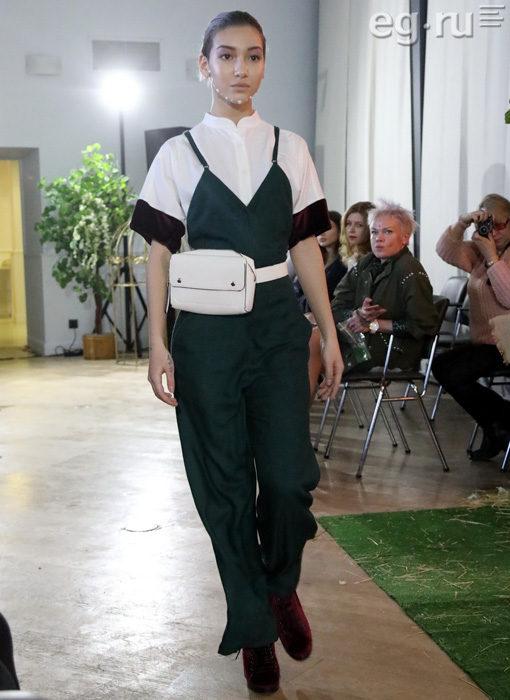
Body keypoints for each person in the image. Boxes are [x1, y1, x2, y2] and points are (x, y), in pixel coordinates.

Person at [130, 11, 343, 695]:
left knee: (287, 479)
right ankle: (254, 628)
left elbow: (305, 247)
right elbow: (158, 254)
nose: (240, 69)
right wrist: (157, 340)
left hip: (278, 326)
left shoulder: (291, 148)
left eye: (253, 56)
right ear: (204, 65)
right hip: (206, 334)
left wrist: (327, 330)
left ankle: (279, 585)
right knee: (222, 485)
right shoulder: (177, 154)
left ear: (264, 64)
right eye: (226, 56)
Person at [432, 194, 510, 461]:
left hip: (506, 344)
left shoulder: (493, 253)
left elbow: (508, 298)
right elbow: (445, 250)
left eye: (499, 224)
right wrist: (462, 222)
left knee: (454, 372)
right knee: (441, 365)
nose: (493, 231)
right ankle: (498, 422)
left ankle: (498, 423)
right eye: (487, 224)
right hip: (486, 342)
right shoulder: (479, 252)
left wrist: (492, 258)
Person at [330, 199, 438, 373]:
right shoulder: (366, 263)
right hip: (361, 341)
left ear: (405, 237)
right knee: (311, 337)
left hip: (392, 351)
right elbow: (336, 306)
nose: (378, 238)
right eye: (374, 232)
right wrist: (357, 314)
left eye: (387, 232)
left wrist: (374, 324)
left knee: (313, 345)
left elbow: (423, 325)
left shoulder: (410, 270)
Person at [293, 210, 347, 312]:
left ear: (340, 230)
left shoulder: (343, 264)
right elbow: (295, 292)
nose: (321, 233)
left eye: (328, 227)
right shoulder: (311, 259)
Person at [339, 201, 375, 268]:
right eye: (348, 224)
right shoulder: (352, 256)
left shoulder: (374, 260)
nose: (351, 230)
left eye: (359, 225)